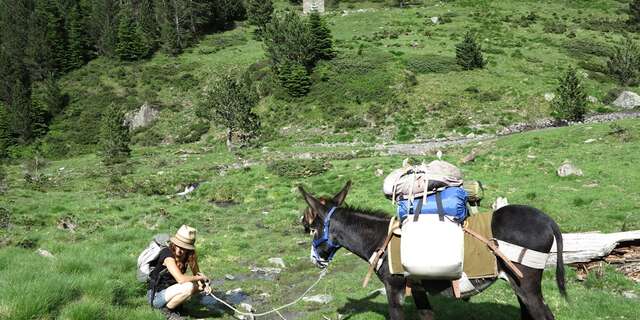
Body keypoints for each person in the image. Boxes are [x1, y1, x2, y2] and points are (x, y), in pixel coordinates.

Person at [148, 225, 210, 317]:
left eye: (184, 248)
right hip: (156, 296)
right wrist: (200, 277)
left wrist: (205, 284)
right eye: (178, 245)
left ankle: (174, 306)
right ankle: (166, 311)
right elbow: (181, 279)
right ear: (174, 243)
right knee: (188, 286)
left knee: (199, 287)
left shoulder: (189, 255)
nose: (180, 250)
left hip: (171, 291)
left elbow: (197, 274)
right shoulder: (167, 255)